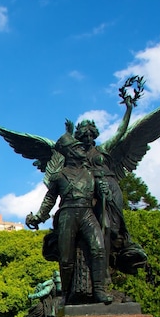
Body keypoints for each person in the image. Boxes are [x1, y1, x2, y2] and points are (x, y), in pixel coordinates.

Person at [26, 130, 111, 304]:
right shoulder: (59, 176)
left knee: (99, 249)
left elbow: (102, 196)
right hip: (67, 214)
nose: (82, 149)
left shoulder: (91, 174)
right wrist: (38, 217)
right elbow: (50, 199)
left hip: (87, 212)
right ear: (70, 152)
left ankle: (99, 291)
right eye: (78, 147)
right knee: (66, 258)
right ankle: (65, 294)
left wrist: (104, 193)